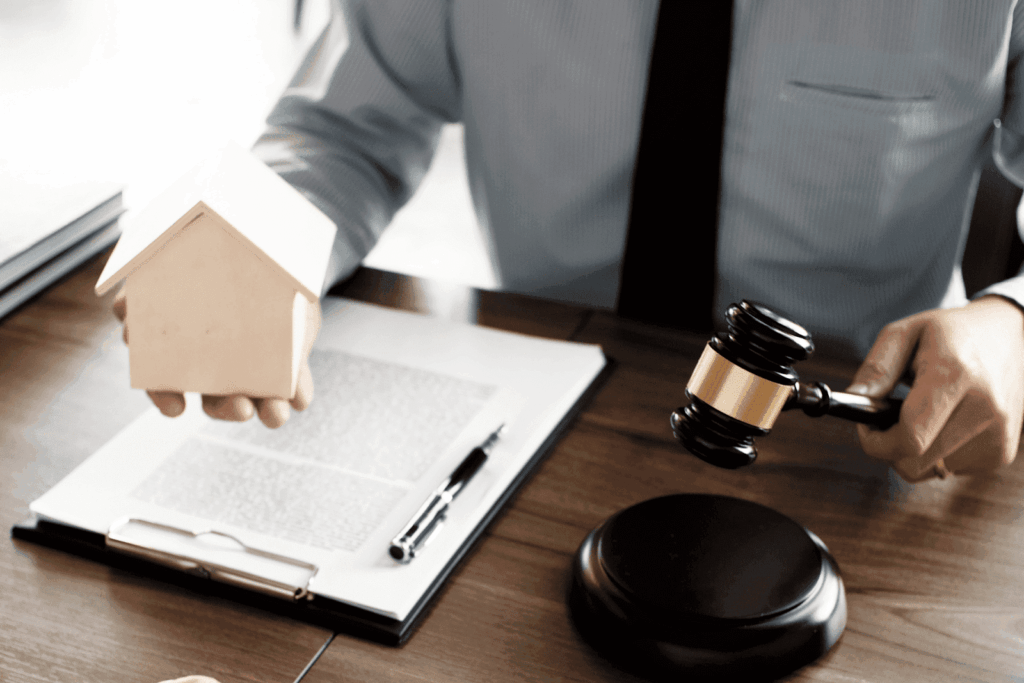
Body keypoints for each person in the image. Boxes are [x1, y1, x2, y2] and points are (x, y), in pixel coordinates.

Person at [119, 1, 1024, 483]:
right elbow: (344, 128)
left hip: (853, 447)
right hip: (538, 420)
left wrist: (1014, 319)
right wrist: (258, 238)